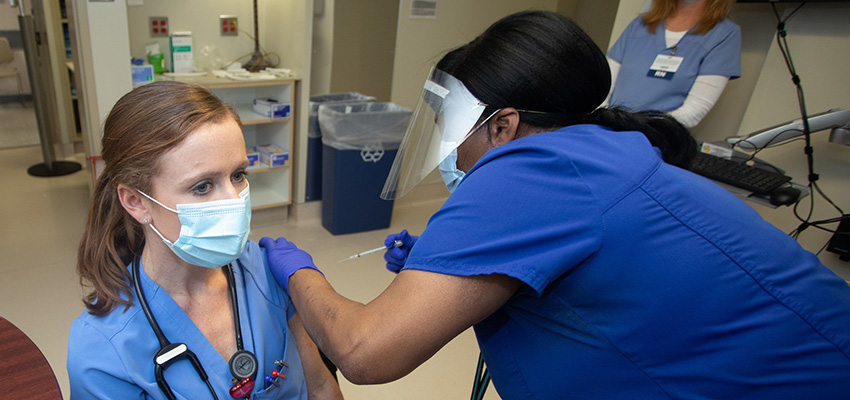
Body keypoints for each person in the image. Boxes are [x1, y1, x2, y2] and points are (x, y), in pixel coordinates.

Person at [260, 10, 850, 399]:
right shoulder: (599, 151)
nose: (450, 153)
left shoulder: (529, 174)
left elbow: (366, 353)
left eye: (451, 132)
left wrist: (303, 274)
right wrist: (453, 260)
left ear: (503, 126)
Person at [67, 81, 343, 400]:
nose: (235, 200)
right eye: (202, 187)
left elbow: (321, 387)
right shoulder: (102, 351)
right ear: (136, 201)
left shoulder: (269, 274)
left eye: (238, 175)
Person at [604, 0, 741, 128]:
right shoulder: (640, 25)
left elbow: (693, 112)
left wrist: (638, 128)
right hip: (608, 127)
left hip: (656, 138)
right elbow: (602, 88)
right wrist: (605, 121)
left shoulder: (724, 34)